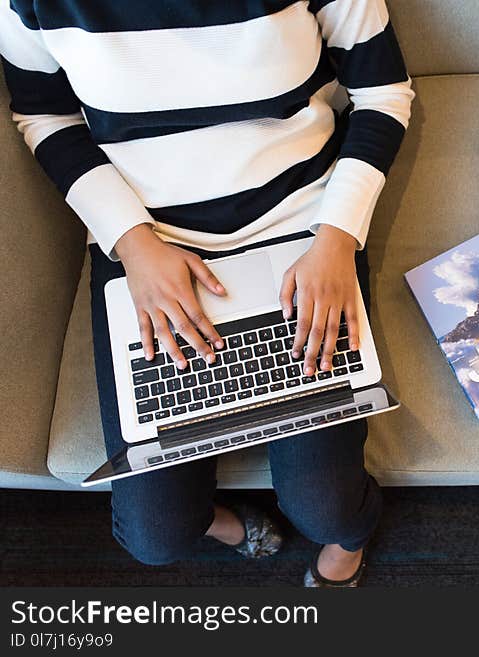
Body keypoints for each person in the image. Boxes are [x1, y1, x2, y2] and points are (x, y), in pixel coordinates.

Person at [0, 0, 413, 587]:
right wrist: (134, 245)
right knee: (155, 536)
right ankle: (223, 523)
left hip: (302, 229)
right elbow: (44, 115)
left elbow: (382, 93)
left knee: (327, 507)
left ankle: (351, 536)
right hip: (147, 242)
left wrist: (338, 239)